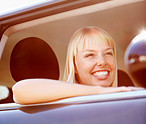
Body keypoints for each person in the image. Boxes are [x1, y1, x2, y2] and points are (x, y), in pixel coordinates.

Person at [12, 26, 144, 104]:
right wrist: (101, 92)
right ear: (74, 66)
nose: (102, 61)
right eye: (90, 55)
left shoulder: (131, 101)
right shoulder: (62, 105)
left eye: (108, 53)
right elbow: (20, 90)